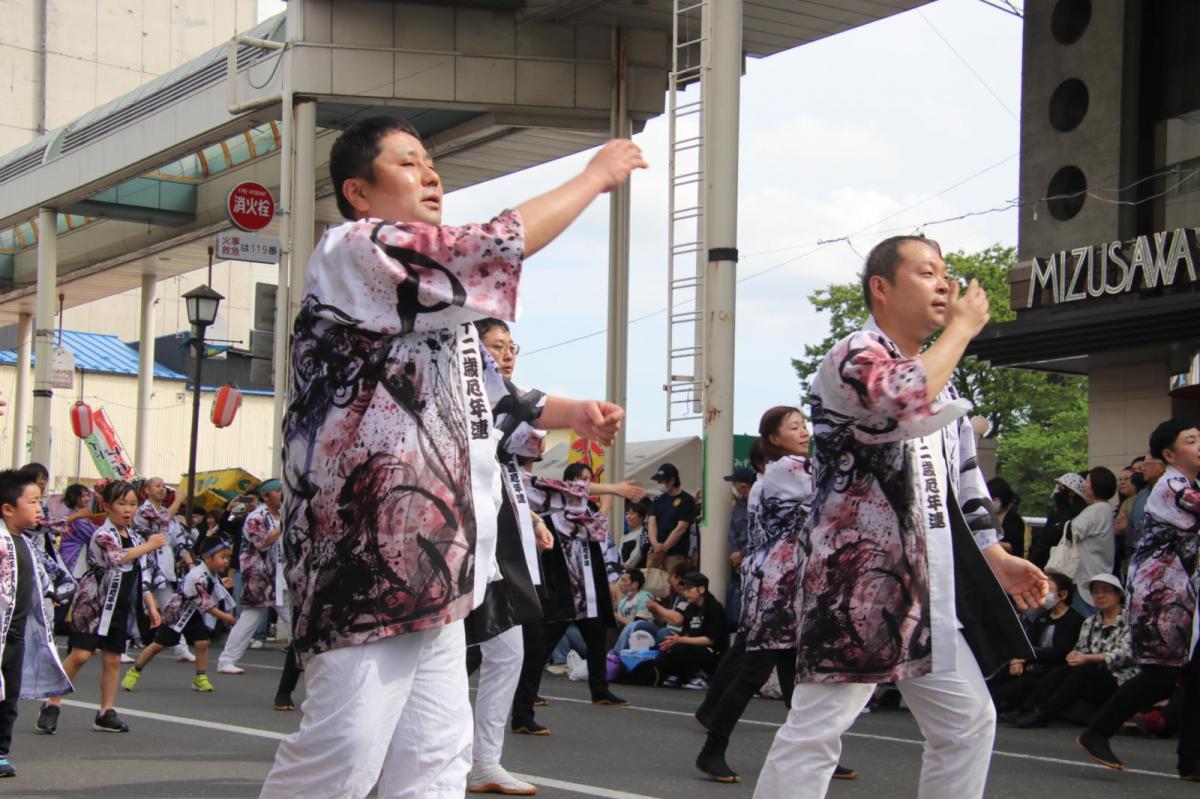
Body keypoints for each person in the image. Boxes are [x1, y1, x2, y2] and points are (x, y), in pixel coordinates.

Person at [260, 116, 644, 799]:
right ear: (358, 192)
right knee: (344, 749)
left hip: (441, 559)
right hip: (366, 552)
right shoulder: (353, 249)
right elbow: (491, 244)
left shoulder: (444, 312)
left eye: (430, 160)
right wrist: (594, 177)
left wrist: (575, 412)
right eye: (408, 162)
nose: (430, 173)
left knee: (436, 754)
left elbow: (497, 398)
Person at [754, 236, 1047, 799]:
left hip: (926, 589)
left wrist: (996, 556)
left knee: (967, 723)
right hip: (858, 586)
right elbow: (898, 396)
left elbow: (965, 482)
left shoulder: (944, 378)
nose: (944, 284)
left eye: (946, 273)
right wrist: (961, 330)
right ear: (881, 287)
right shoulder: (854, 353)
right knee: (817, 732)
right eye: (927, 272)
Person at [696, 406, 836, 783]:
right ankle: (712, 750)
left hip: (789, 582)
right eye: (794, 427)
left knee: (795, 676)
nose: (804, 432)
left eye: (804, 425)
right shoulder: (787, 469)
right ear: (774, 438)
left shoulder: (773, 474)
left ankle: (814, 751)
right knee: (753, 673)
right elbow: (837, 486)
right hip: (776, 586)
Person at [1076, 419, 1200, 778]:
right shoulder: (1172, 486)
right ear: (1169, 455)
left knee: (1193, 674)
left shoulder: (1189, 485)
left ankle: (1191, 760)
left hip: (1180, 590)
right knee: (1162, 675)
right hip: (1159, 591)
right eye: (1192, 441)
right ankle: (1098, 731)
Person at [509, 463, 639, 736]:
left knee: (598, 638)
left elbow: (603, 542)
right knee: (539, 648)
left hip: (588, 588)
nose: (584, 485)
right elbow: (589, 529)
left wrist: (611, 580)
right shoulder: (555, 508)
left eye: (588, 480)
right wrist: (610, 499)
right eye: (580, 480)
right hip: (563, 589)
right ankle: (524, 705)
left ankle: (599, 689)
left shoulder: (586, 507)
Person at [35, 480, 166, 735]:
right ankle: (52, 702)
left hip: (119, 605)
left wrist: (151, 605)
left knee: (113, 658)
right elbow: (118, 557)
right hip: (93, 605)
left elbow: (142, 574)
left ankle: (106, 711)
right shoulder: (102, 534)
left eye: (132, 504)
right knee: (80, 655)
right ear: (106, 506)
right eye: (121, 503)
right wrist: (150, 545)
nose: (128, 510)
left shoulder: (135, 537)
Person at [0, 469, 72, 778]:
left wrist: (53, 592)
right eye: (32, 501)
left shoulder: (27, 543)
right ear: (8, 508)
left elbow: (43, 575)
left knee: (8, 695)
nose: (39, 507)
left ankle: (1, 752)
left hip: (15, 635)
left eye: (40, 501)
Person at [217, 480, 303, 712]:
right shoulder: (256, 517)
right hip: (259, 574)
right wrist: (284, 523)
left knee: (295, 620)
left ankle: (302, 658)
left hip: (281, 575)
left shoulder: (285, 514)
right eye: (277, 491)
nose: (282, 494)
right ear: (266, 497)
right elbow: (262, 543)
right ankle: (227, 660)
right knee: (252, 616)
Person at [1006, 574, 1135, 728]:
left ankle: (1043, 714)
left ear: (1118, 594)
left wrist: (1087, 658)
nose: (1100, 595)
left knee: (1083, 670)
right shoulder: (1090, 621)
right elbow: (1080, 649)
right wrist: (1075, 655)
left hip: (1118, 678)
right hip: (1092, 674)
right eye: (1095, 591)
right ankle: (1027, 710)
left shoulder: (1131, 621)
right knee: (1062, 669)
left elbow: (1123, 654)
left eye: (1105, 590)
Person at [121, 536, 237, 693]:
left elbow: (212, 592)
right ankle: (135, 670)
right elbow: (206, 604)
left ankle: (200, 677)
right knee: (159, 645)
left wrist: (224, 583)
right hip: (176, 613)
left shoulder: (211, 574)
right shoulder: (196, 575)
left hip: (193, 612)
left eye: (227, 557)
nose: (226, 561)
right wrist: (225, 616)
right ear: (207, 558)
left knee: (202, 643)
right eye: (222, 557)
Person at [990, 571, 1084, 713]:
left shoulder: (1074, 619)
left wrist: (1026, 656)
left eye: (1049, 589)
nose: (1043, 593)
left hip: (1050, 669)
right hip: (1032, 662)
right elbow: (1029, 641)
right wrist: (1018, 660)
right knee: (1002, 671)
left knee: (1011, 688)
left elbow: (1061, 652)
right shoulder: (1042, 616)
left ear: (1063, 595)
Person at [133, 477, 192, 663]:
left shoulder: (169, 513)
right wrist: (178, 500)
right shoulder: (143, 510)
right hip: (144, 562)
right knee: (131, 604)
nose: (162, 489)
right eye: (157, 486)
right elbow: (161, 520)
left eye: (164, 486)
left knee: (170, 607)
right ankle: (121, 645)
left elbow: (179, 540)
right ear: (147, 490)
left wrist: (190, 563)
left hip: (164, 566)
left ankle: (181, 648)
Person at [638, 571, 725, 688]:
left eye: (689, 589)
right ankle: (679, 675)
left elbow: (710, 640)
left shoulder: (714, 608)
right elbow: (685, 631)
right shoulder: (691, 608)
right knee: (664, 654)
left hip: (713, 653)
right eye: (684, 590)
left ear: (701, 589)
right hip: (693, 648)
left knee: (680, 648)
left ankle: (701, 676)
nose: (685, 593)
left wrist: (680, 640)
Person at [1069, 467, 1118, 616]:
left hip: (1088, 574)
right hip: (1097, 569)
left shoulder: (1095, 510)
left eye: (1088, 481)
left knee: (1084, 618)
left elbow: (1072, 531)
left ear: (1096, 485)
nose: (1084, 485)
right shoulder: (1105, 508)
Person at [1029, 474, 1088, 570]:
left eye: (1061, 488)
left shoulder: (1082, 515)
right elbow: (1046, 538)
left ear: (1072, 492)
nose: (1057, 490)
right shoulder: (1055, 512)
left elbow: (1068, 535)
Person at [648, 463, 696, 572]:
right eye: (658, 481)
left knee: (674, 581)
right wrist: (655, 543)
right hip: (655, 551)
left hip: (675, 554)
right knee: (651, 581)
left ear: (672, 480)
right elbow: (652, 523)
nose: (659, 484)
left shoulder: (686, 500)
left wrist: (664, 548)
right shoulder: (658, 499)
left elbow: (681, 528)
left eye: (662, 481)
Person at [987, 476, 1025, 559]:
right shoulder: (987, 516)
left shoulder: (1014, 519)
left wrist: (991, 543)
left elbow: (1014, 547)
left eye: (993, 500)